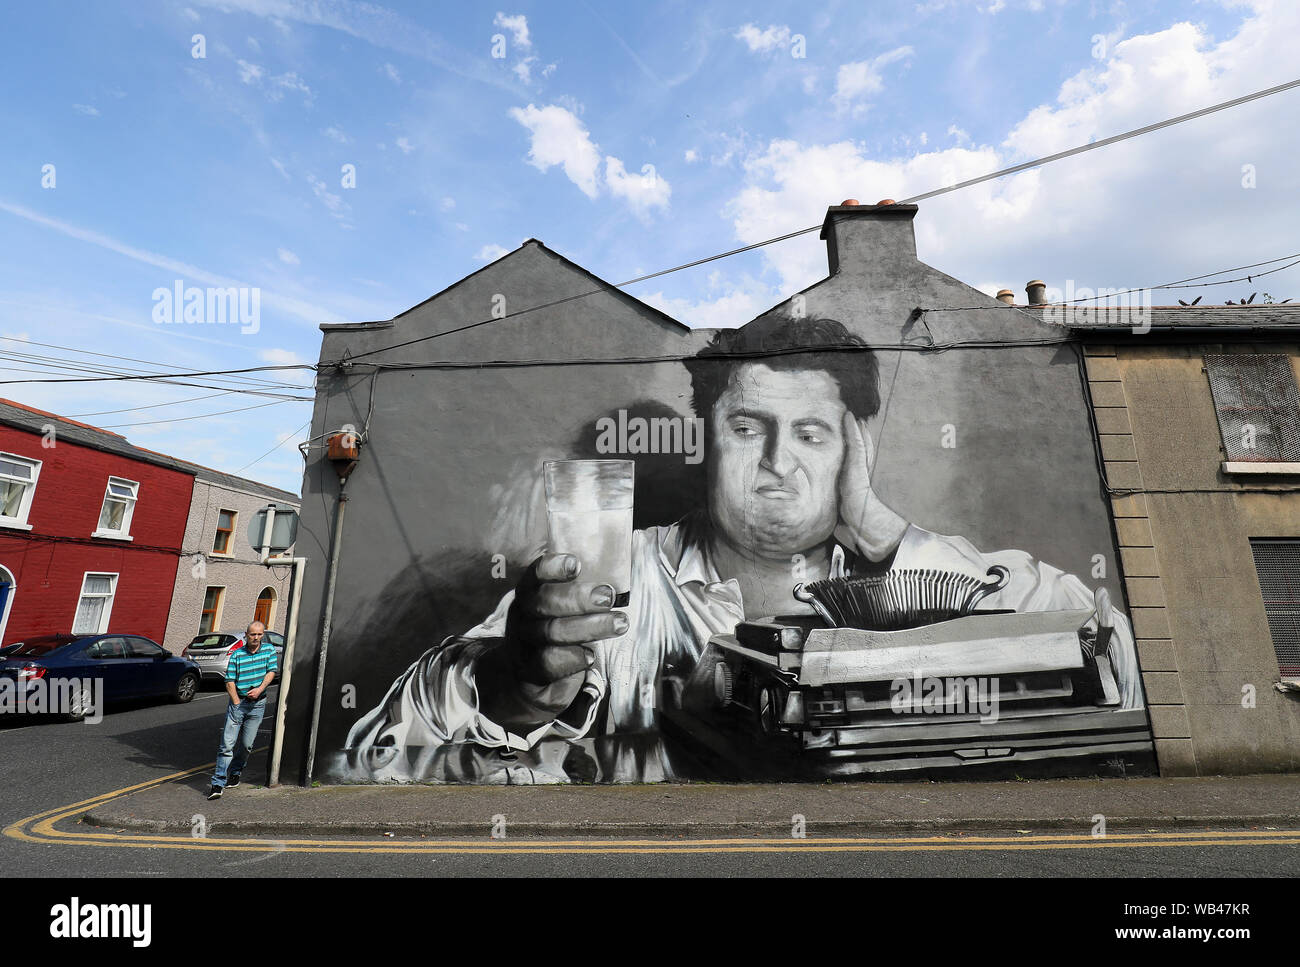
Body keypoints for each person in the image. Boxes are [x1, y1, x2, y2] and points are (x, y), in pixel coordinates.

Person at [340, 315, 1143, 783]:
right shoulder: (612, 580)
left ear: (854, 447)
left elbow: (1113, 659)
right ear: (708, 442)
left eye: (812, 433)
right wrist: (514, 686)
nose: (777, 465)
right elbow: (369, 759)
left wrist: (879, 528)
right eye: (749, 427)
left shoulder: (913, 571)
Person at [208, 621, 278, 800]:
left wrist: (260, 689)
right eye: (253, 634)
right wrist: (237, 702)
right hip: (238, 704)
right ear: (246, 635)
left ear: (263, 635)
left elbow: (271, 672)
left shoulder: (269, 650)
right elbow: (229, 680)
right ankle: (218, 783)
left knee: (247, 745)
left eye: (259, 634)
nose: (256, 638)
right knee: (227, 745)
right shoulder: (237, 655)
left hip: (258, 704)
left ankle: (236, 772)